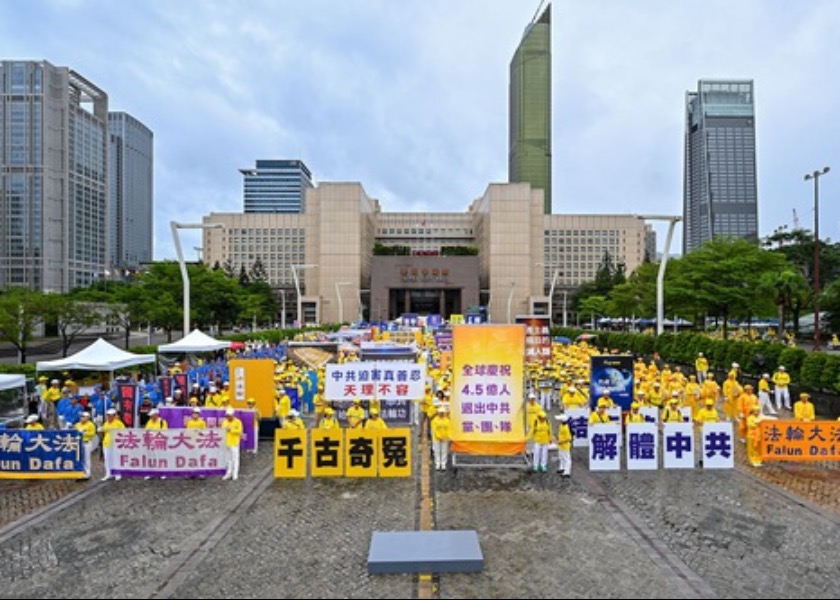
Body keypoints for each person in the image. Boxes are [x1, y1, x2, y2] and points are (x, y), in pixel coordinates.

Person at [99, 408, 125, 481]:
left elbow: (123, 432)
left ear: (114, 416)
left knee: (116, 458)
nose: (109, 417)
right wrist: (100, 429)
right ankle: (108, 473)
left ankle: (117, 473)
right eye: (108, 416)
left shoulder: (119, 423)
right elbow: (103, 430)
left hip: (116, 444)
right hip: (106, 443)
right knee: (107, 459)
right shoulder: (106, 423)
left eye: (110, 416)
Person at [221, 408, 244, 481]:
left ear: (232, 415)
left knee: (235, 459)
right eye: (227, 416)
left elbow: (240, 431)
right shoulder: (224, 422)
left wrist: (231, 430)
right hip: (226, 442)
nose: (228, 417)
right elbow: (222, 430)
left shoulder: (238, 422)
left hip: (234, 443)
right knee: (228, 459)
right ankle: (229, 473)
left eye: (229, 416)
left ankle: (235, 474)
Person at [75, 411, 97, 480]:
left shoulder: (91, 425)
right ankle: (81, 472)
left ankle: (87, 473)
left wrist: (84, 433)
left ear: (87, 418)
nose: (82, 418)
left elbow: (92, 434)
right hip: (79, 443)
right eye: (81, 417)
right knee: (80, 458)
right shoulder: (77, 425)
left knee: (86, 458)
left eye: (84, 417)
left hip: (87, 442)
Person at [431, 405, 452, 471]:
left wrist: (447, 436)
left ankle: (443, 465)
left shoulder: (447, 420)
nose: (441, 414)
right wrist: (439, 437)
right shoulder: (434, 420)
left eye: (442, 412)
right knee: (437, 451)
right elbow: (434, 430)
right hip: (436, 438)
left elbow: (449, 429)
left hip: (445, 438)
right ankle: (437, 464)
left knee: (444, 451)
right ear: (438, 413)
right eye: (440, 412)